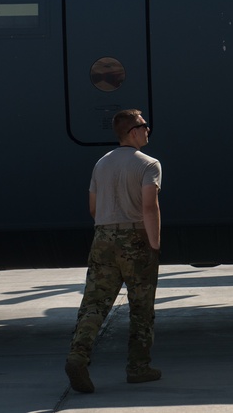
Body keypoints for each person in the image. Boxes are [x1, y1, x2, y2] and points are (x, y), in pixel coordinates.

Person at [65, 108, 162, 392]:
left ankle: (77, 356)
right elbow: (149, 206)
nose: (147, 130)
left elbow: (93, 208)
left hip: (103, 237)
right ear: (132, 131)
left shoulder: (101, 164)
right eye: (144, 125)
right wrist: (154, 245)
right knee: (141, 306)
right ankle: (138, 367)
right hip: (136, 237)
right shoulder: (149, 164)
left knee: (94, 304)